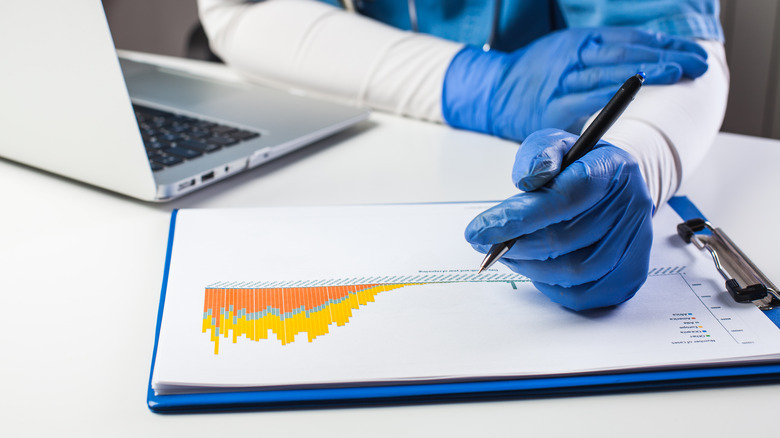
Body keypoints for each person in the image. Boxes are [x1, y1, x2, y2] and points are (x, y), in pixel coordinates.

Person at [197, 0, 729, 310]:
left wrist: (631, 157)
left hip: (548, 143)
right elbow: (238, 11)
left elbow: (680, 60)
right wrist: (473, 83)